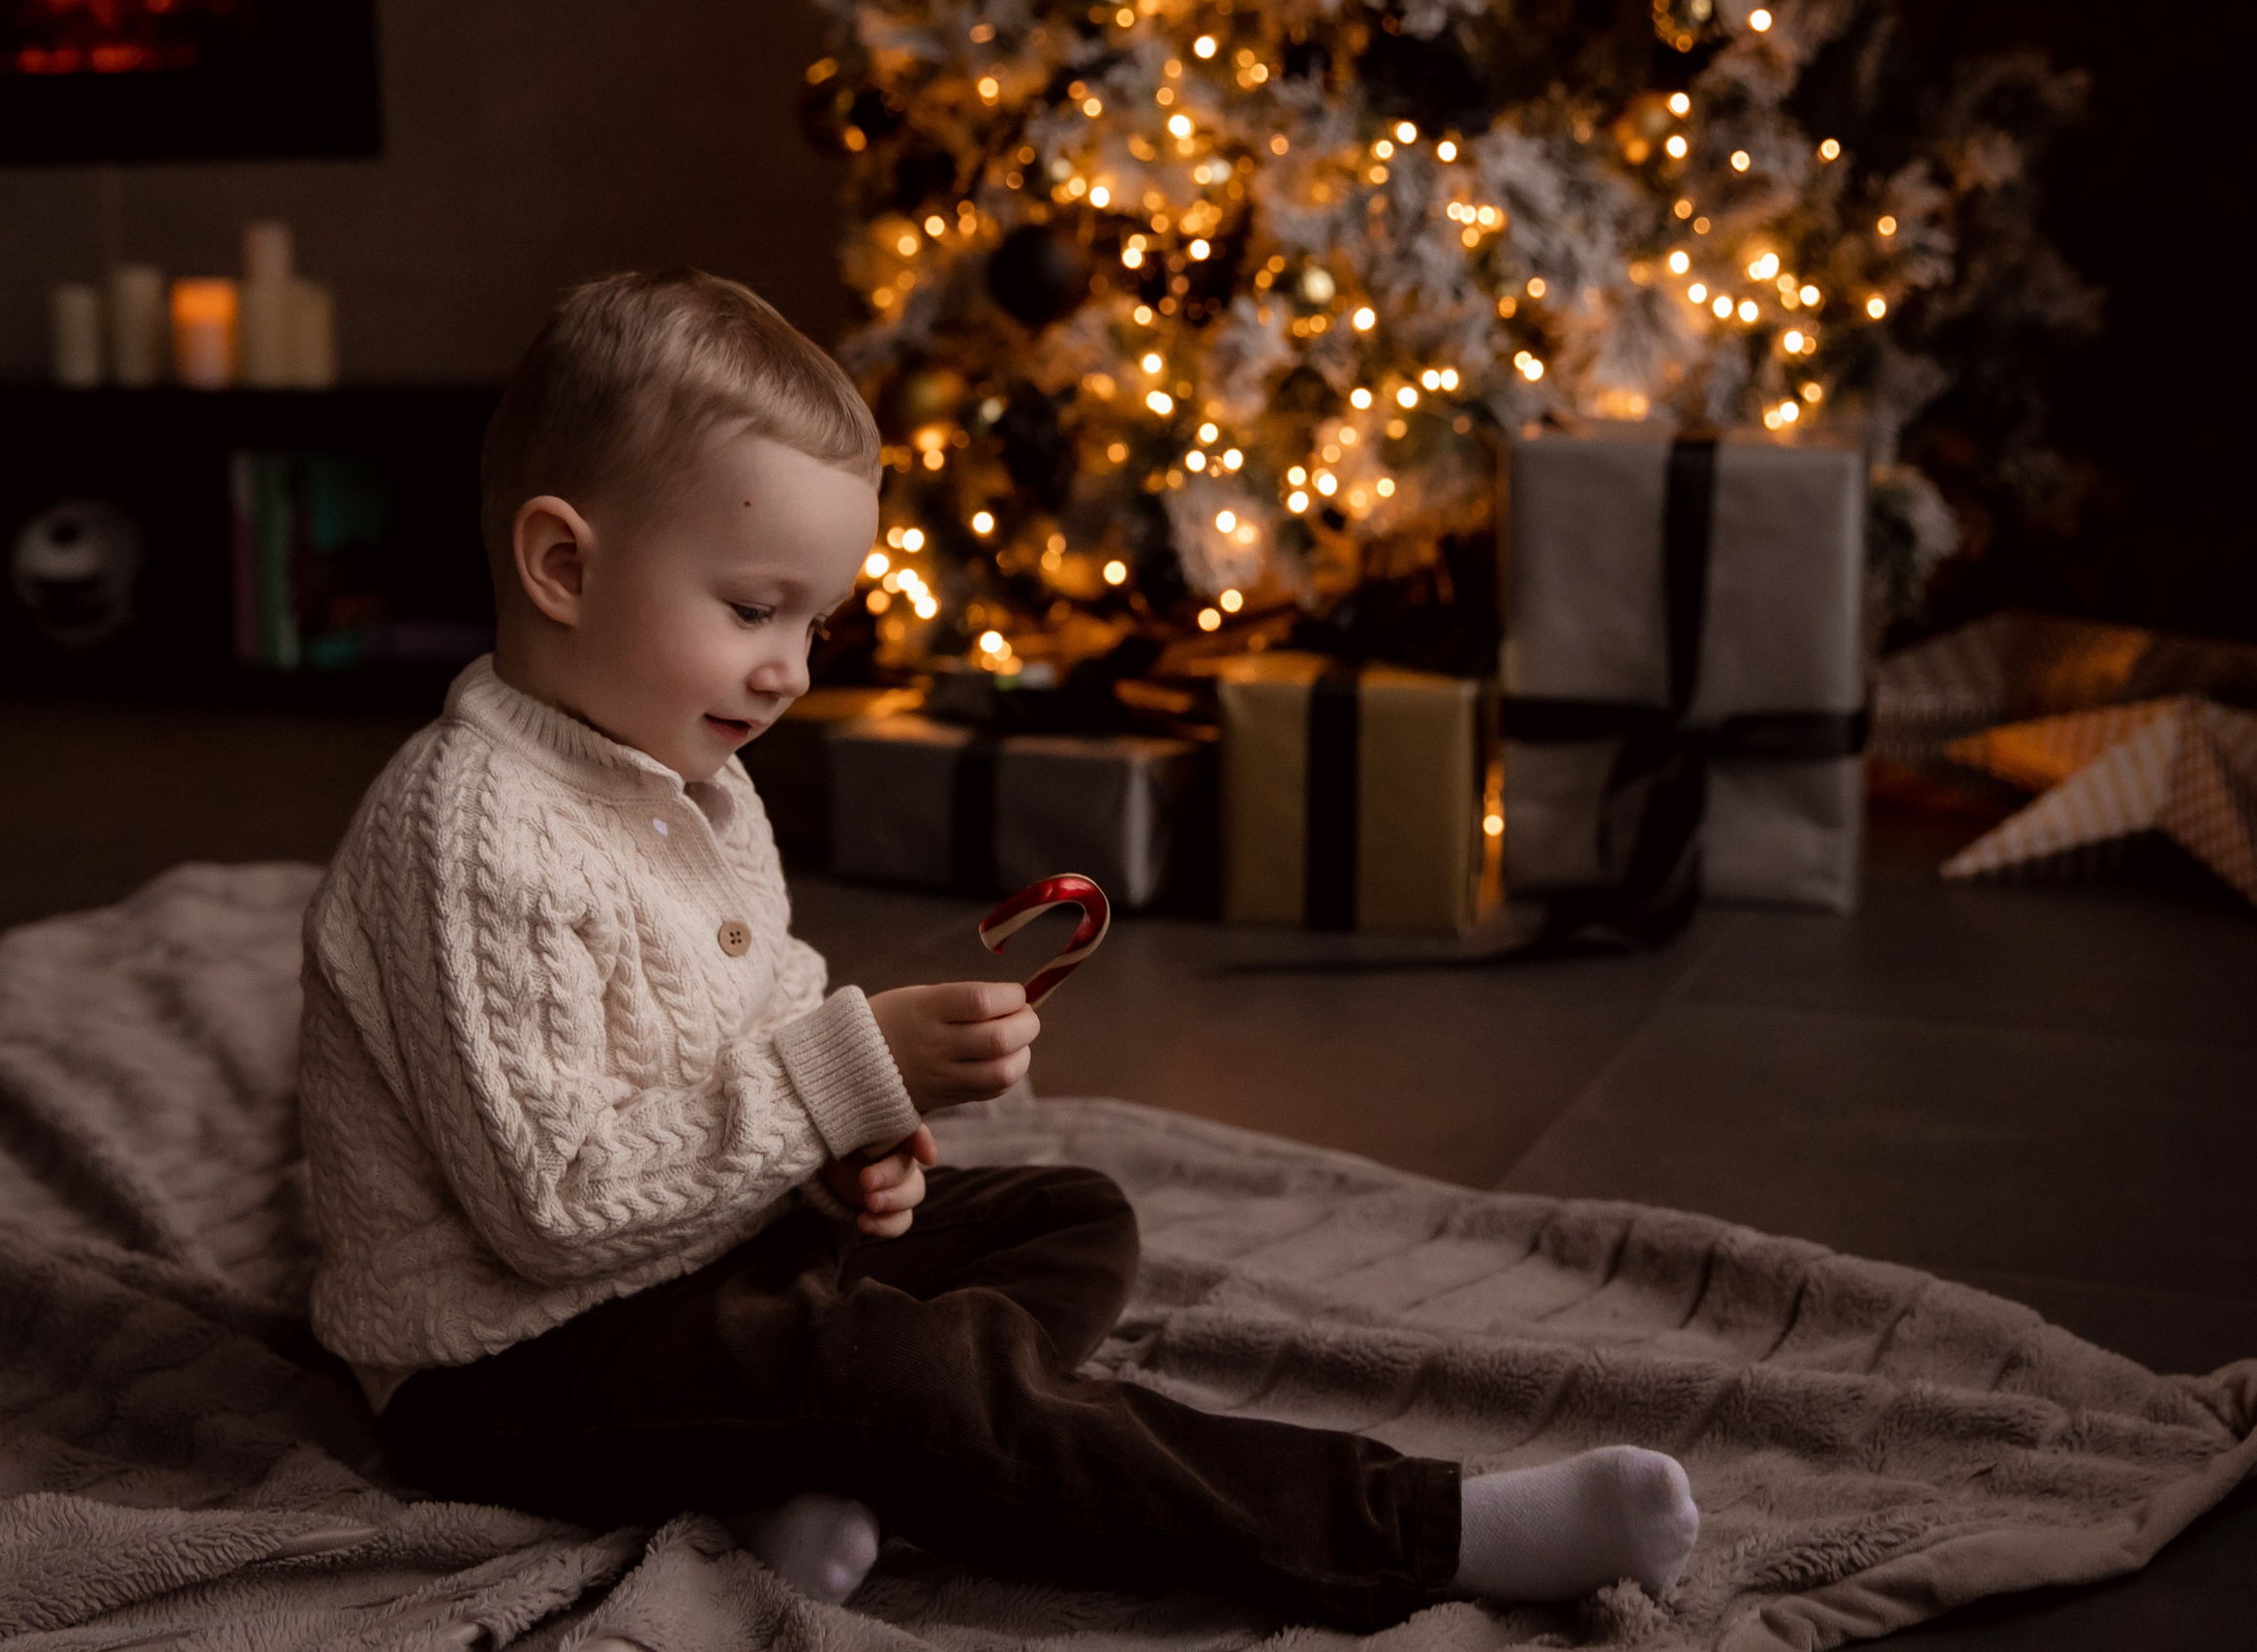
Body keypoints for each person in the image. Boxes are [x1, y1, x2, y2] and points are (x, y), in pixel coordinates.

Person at [296, 268, 1700, 1628]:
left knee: (1071, 1214)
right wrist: (846, 1073)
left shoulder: (696, 779)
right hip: (512, 1361)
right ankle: (1419, 1531)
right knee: (903, 1364)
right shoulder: (469, 826)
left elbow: (758, 1006)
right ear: (562, 563)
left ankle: (838, 1458)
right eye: (750, 609)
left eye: (816, 620)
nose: (794, 666)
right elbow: (555, 1202)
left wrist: (859, 1139)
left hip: (708, 1268)